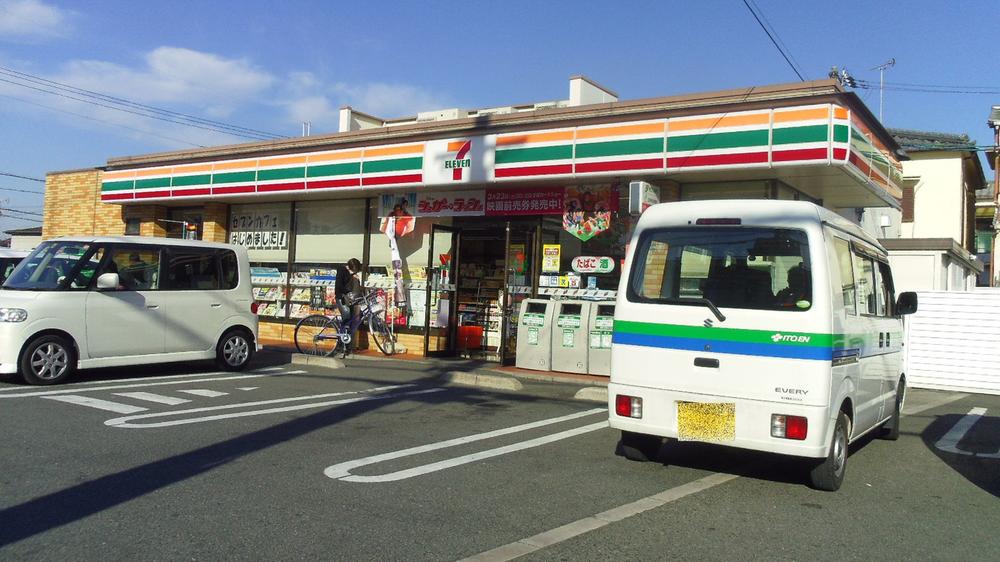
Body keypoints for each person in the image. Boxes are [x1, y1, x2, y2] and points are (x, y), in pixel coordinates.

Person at [335, 258, 363, 355]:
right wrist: (347, 291)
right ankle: (340, 344)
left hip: (349, 299)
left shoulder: (352, 275)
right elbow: (338, 286)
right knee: (346, 318)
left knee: (350, 321)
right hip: (341, 298)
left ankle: (346, 345)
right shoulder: (342, 271)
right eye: (355, 269)